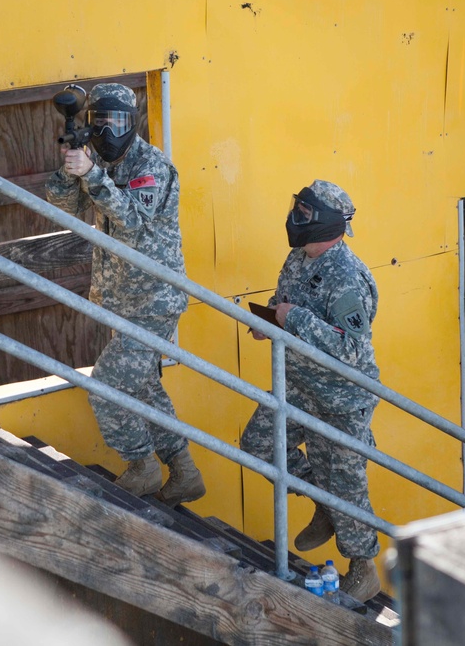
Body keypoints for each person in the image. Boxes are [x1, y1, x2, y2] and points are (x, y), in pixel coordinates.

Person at [45, 83, 205, 507]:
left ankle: (142, 466)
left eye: (117, 121)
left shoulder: (152, 166)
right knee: (143, 386)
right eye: (100, 121)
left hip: (155, 299)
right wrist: (70, 169)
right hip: (119, 300)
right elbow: (64, 206)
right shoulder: (94, 159)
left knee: (107, 386)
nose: (108, 130)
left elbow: (131, 218)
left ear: (131, 123)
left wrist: (92, 174)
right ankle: (184, 471)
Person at [239, 180, 382, 602]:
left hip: (341, 399)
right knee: (258, 443)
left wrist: (293, 319)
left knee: (347, 486)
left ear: (326, 223)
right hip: (300, 384)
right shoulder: (300, 256)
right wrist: (270, 320)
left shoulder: (345, 275)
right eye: (296, 209)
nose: (295, 218)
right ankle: (323, 504)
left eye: (304, 213)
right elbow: (289, 300)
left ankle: (364, 570)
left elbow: (352, 349)